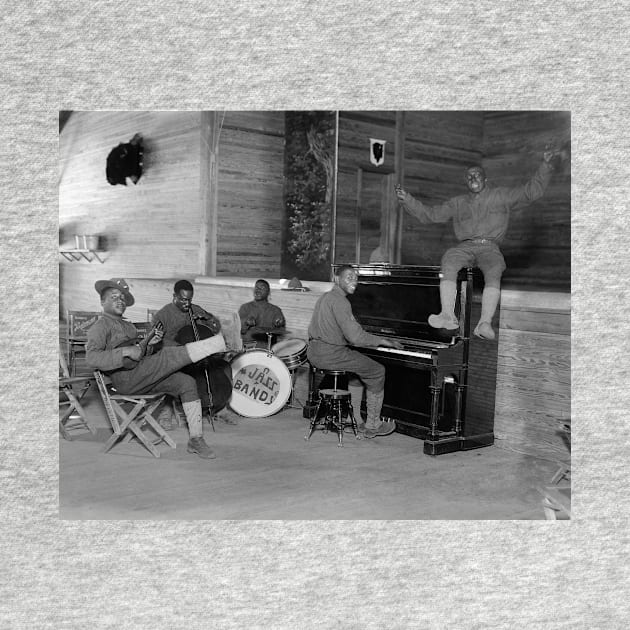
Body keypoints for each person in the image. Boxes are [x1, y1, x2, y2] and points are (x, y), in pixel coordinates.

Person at [395, 150, 558, 340]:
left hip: (489, 247)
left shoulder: (501, 196)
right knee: (449, 258)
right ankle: (448, 315)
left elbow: (531, 192)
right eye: (469, 176)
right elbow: (430, 214)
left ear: (485, 179)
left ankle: (484, 323)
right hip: (464, 247)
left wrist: (545, 166)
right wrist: (408, 200)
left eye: (477, 175)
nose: (473, 178)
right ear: (466, 182)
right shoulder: (457, 203)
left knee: (495, 267)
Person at [85, 278, 226, 459]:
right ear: (102, 302)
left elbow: (139, 355)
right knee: (167, 355)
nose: (120, 300)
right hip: (124, 380)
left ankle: (196, 439)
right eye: (114, 297)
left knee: (186, 382)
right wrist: (124, 351)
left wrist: (150, 345)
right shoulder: (100, 326)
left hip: (141, 375)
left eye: (122, 297)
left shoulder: (128, 326)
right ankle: (219, 343)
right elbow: (91, 358)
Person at [307, 265, 403, 439]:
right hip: (331, 353)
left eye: (356, 278)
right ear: (337, 279)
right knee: (377, 371)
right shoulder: (341, 301)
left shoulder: (325, 297)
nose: (354, 281)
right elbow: (356, 338)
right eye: (349, 277)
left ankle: (356, 420)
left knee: (357, 371)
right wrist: (382, 340)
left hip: (314, 351)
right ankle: (373, 425)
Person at [152, 280, 236, 425]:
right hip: (175, 355)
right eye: (183, 300)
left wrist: (209, 319)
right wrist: (181, 346)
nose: (187, 304)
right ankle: (167, 410)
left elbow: (215, 327)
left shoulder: (195, 309)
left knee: (224, 366)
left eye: (190, 300)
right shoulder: (163, 315)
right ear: (174, 296)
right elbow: (155, 342)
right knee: (171, 373)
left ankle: (221, 407)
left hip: (199, 356)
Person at [238, 279, 286, 347]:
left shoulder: (275, 310)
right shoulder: (245, 307)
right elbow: (239, 330)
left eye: (262, 288)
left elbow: (281, 333)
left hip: (268, 348)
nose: (258, 290)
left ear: (268, 292)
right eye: (256, 288)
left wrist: (279, 324)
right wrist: (246, 322)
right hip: (249, 348)